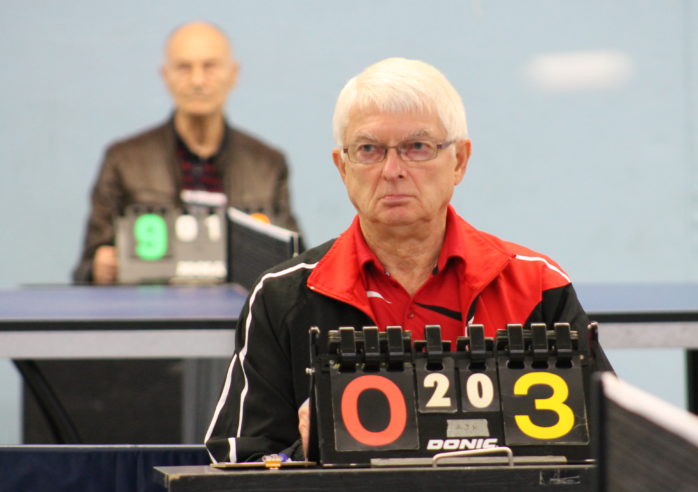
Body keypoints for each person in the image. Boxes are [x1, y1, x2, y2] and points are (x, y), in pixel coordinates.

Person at [204, 57, 609, 463]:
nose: (392, 170)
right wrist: (307, 453)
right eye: (369, 149)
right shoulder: (281, 298)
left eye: (418, 147)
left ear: (459, 161)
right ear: (342, 167)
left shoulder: (537, 285)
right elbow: (236, 465)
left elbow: (611, 450)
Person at [73, 21, 300, 283]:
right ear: (165, 75)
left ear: (233, 74)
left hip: (239, 307)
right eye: (184, 67)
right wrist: (97, 268)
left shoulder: (267, 165)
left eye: (210, 66)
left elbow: (296, 262)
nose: (197, 81)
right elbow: (85, 268)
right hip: (152, 304)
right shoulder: (123, 161)